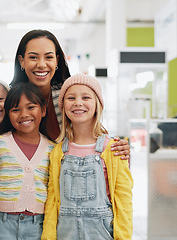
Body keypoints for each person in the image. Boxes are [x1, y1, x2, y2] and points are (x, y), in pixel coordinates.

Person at [10, 29, 131, 158]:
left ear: (57, 60)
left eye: (49, 57)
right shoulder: (9, 98)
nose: (41, 64)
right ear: (22, 61)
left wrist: (115, 146)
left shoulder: (69, 96)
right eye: (33, 57)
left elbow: (92, 132)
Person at [42, 74, 133, 240]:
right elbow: (52, 200)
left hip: (102, 233)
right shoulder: (57, 152)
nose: (78, 102)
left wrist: (124, 237)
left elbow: (123, 199)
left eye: (86, 97)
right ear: (62, 107)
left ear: (97, 105)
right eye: (71, 98)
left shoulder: (112, 149)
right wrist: (48, 236)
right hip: (65, 233)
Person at [0, 82, 55, 240]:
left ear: (43, 110)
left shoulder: (53, 150)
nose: (24, 114)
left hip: (37, 226)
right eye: (16, 110)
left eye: (31, 107)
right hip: (0, 224)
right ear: (8, 114)